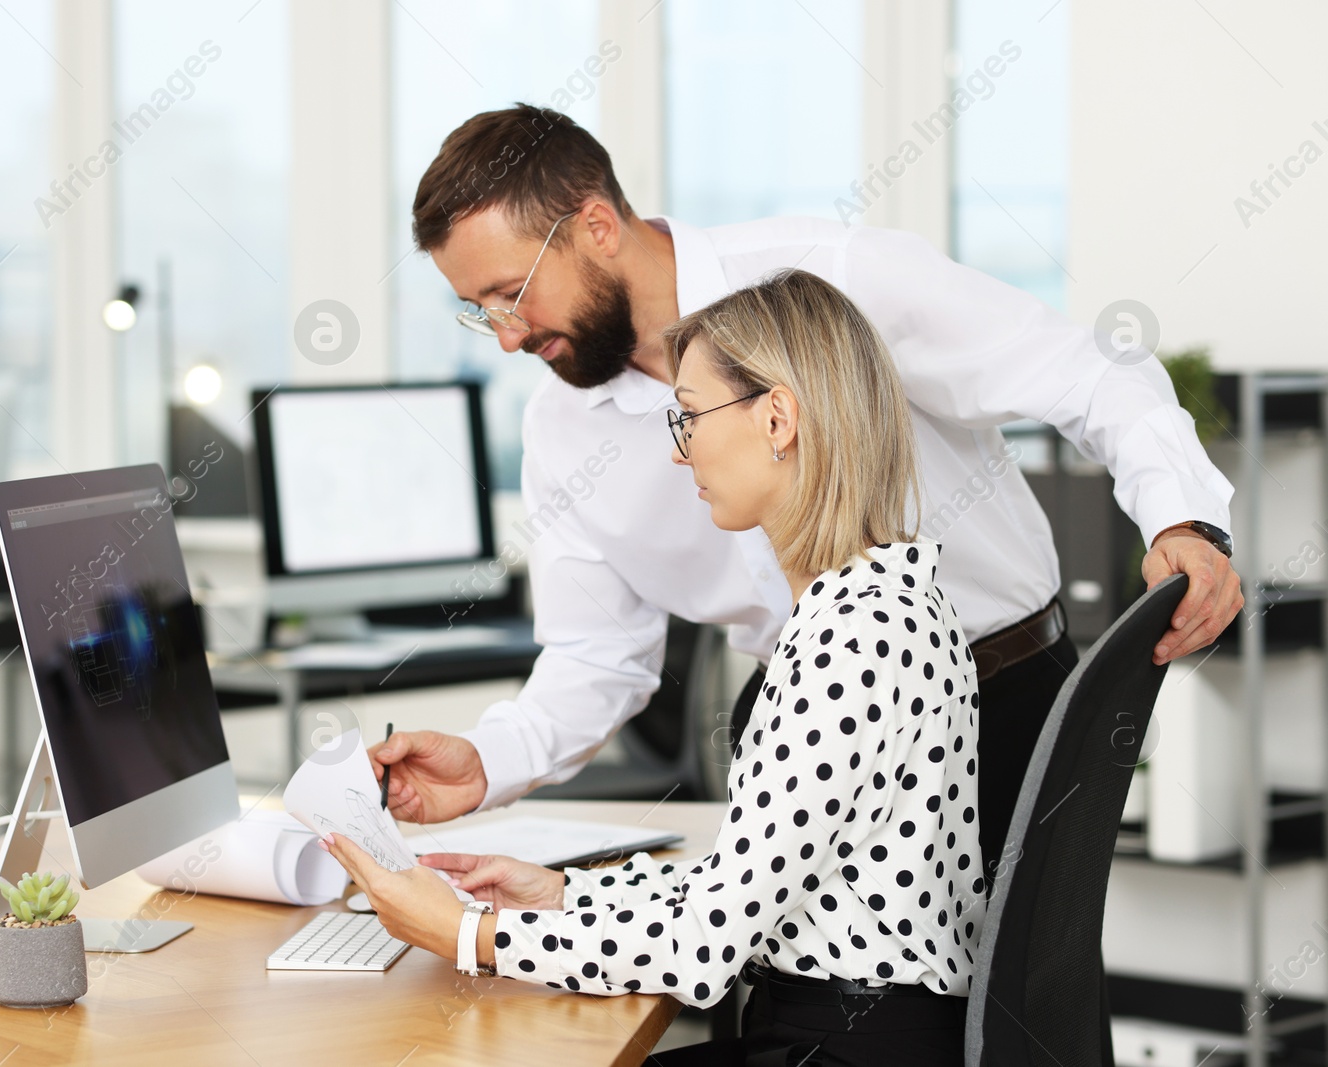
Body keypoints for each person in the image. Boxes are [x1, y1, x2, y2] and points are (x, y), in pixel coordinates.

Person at [371, 104, 1242, 882]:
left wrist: (1183, 515)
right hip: (804, 732)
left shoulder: (835, 277)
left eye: (509, 293)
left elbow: (1084, 374)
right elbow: (598, 655)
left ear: (596, 224)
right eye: (478, 310)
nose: (507, 334)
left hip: (1000, 703)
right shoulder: (563, 430)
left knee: (1003, 1012)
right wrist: (488, 759)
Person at [331, 270, 982, 1065]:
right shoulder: (883, 602)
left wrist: (467, 934)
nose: (682, 454)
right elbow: (746, 880)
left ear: (777, 418)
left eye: (690, 418)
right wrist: (560, 892)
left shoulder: (854, 639)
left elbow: (705, 944)